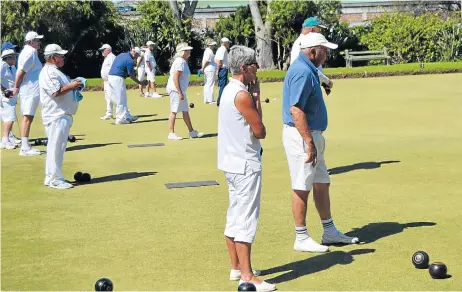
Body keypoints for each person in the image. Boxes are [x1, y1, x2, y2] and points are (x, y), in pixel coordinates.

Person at [282, 33, 359, 253]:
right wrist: (308, 141)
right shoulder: (301, 72)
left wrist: (325, 82)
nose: (326, 54)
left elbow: (321, 78)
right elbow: (295, 109)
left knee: (321, 183)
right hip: (302, 136)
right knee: (302, 185)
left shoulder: (309, 68)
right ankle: (301, 236)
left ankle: (329, 231)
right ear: (312, 50)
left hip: (313, 135)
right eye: (324, 50)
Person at [218, 45, 275, 291]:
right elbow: (260, 130)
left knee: (234, 214)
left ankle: (236, 268)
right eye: (254, 64)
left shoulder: (229, 91)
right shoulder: (241, 95)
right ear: (244, 68)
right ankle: (247, 276)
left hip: (231, 162)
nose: (258, 68)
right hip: (245, 164)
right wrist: (257, 97)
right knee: (245, 219)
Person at [39, 44, 82, 189]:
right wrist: (72, 85)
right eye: (61, 56)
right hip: (56, 115)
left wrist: (73, 85)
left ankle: (50, 177)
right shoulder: (48, 72)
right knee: (56, 148)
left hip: (61, 114)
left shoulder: (55, 71)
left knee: (57, 147)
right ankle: (55, 179)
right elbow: (55, 92)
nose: (63, 58)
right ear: (52, 57)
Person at [13, 31, 44, 156]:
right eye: (37, 40)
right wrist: (16, 87)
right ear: (30, 42)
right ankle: (24, 147)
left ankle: (26, 146)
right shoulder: (29, 52)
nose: (39, 42)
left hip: (32, 90)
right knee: (27, 117)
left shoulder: (32, 52)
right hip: (29, 90)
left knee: (29, 117)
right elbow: (21, 72)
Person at [166, 43, 203, 140]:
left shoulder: (182, 61)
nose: (189, 51)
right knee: (174, 111)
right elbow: (175, 77)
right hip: (176, 90)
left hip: (180, 90)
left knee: (185, 111)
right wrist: (179, 92)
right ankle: (171, 133)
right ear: (183, 52)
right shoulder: (180, 62)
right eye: (187, 50)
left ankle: (192, 132)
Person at [290, 17, 334, 94]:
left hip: (312, 83)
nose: (320, 32)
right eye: (318, 29)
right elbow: (309, 69)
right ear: (312, 30)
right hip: (304, 85)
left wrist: (323, 82)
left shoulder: (306, 41)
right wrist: (327, 81)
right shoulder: (303, 43)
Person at [107, 47, 146, 124]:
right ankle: (120, 119)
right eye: (137, 55)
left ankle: (127, 116)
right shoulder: (130, 61)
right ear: (134, 52)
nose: (137, 57)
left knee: (120, 99)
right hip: (118, 79)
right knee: (121, 99)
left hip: (110, 78)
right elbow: (131, 75)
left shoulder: (122, 54)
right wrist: (140, 83)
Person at [1, 49, 19, 150]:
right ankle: (5, 141)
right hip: (5, 97)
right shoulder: (2, 65)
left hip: (11, 97)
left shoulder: (11, 67)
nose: (15, 58)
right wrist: (4, 90)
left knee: (10, 118)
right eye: (13, 57)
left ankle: (8, 139)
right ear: (8, 58)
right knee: (9, 118)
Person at [99, 44, 116, 120]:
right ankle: (109, 113)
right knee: (108, 97)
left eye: (103, 50)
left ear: (108, 50)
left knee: (113, 97)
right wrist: (104, 80)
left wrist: (110, 80)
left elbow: (113, 69)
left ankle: (125, 112)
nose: (102, 51)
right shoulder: (107, 58)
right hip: (106, 81)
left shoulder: (112, 57)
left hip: (111, 81)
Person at [215, 37, 231, 106]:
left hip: (222, 69)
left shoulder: (220, 49)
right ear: (225, 43)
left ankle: (221, 100)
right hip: (223, 69)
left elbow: (215, 59)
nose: (229, 44)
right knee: (223, 86)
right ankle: (220, 101)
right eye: (228, 43)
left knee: (223, 85)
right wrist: (217, 70)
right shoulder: (223, 49)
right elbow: (219, 61)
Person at [201, 39, 217, 104]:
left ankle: (207, 99)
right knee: (210, 84)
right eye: (212, 44)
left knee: (207, 84)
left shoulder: (208, 51)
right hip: (210, 70)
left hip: (209, 69)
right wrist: (202, 68)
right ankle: (210, 100)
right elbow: (207, 61)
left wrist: (203, 68)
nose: (213, 45)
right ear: (209, 45)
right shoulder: (209, 51)